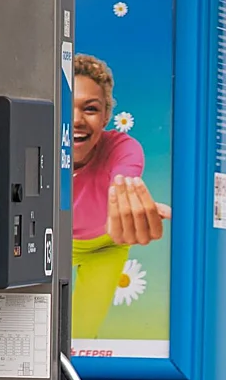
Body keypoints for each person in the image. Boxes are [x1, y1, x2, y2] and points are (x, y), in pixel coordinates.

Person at [71, 53, 171, 339]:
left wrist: (128, 204)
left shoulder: (122, 148)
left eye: (90, 109)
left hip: (106, 247)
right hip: (53, 242)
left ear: (106, 116)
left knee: (82, 331)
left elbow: (124, 179)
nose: (76, 120)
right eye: (67, 107)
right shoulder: (40, 147)